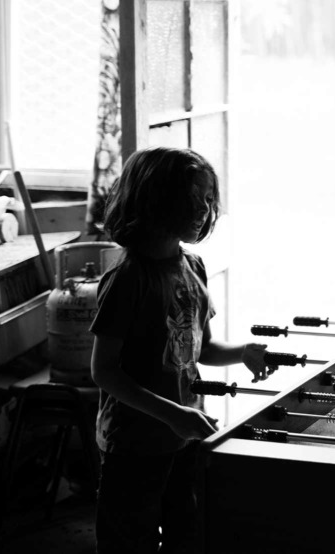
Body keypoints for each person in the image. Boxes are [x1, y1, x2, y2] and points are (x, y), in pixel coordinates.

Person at [89, 146, 273, 554]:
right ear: (154, 199)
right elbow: (104, 371)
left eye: (208, 199)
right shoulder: (127, 278)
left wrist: (243, 351)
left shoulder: (193, 268)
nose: (203, 210)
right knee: (128, 543)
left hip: (184, 436)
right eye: (192, 199)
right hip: (134, 443)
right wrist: (172, 414)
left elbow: (201, 348)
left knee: (187, 534)